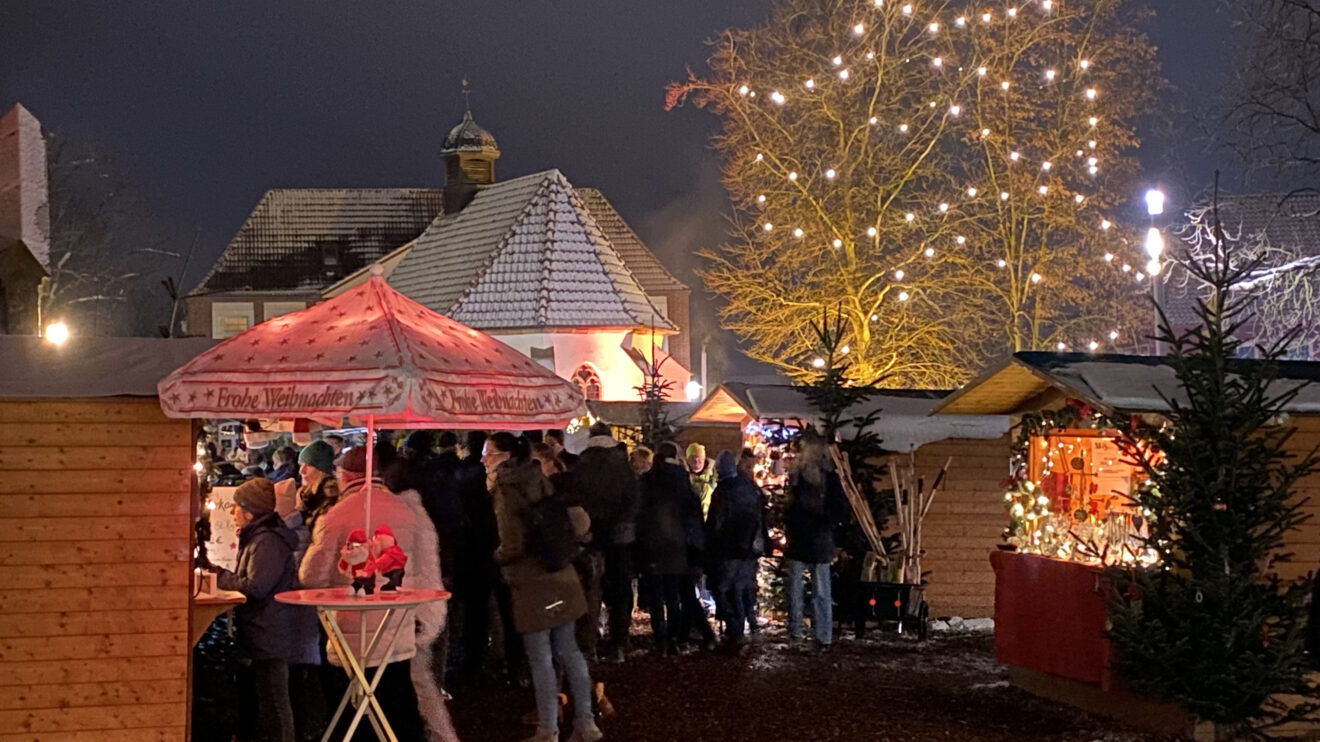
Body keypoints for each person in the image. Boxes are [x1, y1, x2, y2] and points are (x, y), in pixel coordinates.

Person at [299, 446, 456, 742]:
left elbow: (311, 576)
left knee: (354, 711)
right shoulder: (405, 510)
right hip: (396, 628)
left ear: (344, 475)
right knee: (398, 706)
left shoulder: (335, 516)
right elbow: (422, 565)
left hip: (351, 634)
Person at [486, 433, 603, 742]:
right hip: (561, 572)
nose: (484, 460)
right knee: (569, 650)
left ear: (505, 457)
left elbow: (512, 543)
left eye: (490, 454)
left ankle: (548, 729)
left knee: (540, 657)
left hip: (533, 582)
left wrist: (496, 557)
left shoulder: (506, 489)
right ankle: (586, 723)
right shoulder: (539, 478)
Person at [207, 478, 318, 742]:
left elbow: (257, 586)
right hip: (266, 629)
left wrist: (221, 577)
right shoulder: (259, 537)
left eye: (236, 508)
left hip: (270, 631)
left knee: (275, 702)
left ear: (250, 511)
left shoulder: (266, 541)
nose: (232, 514)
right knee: (268, 700)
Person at [572, 422, 639, 663]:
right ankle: (618, 642)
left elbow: (577, 497)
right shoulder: (622, 463)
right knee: (620, 590)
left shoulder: (583, 462)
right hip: (620, 537)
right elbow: (633, 499)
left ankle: (589, 643)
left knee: (592, 589)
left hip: (592, 536)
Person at [784, 434, 850, 649]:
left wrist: (795, 524)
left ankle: (796, 631)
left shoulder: (798, 477)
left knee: (796, 589)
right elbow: (840, 509)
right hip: (819, 540)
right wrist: (826, 524)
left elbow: (790, 508)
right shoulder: (829, 478)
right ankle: (823, 635)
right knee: (821, 590)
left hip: (801, 539)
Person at [635, 442, 694, 655]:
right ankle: (673, 638)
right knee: (672, 594)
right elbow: (691, 513)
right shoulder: (683, 480)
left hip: (653, 544)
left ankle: (660, 638)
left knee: (657, 595)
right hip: (677, 543)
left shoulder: (648, 480)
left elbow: (640, 513)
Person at [705, 450, 765, 652]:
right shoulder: (749, 487)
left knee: (721, 589)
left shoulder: (722, 491)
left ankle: (735, 629)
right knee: (738, 590)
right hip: (747, 550)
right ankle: (738, 630)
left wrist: (710, 545)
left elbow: (716, 524)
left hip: (728, 549)